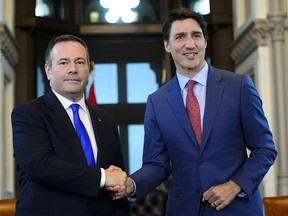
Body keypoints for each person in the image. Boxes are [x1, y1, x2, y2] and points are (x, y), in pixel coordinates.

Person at [111, 7, 277, 216]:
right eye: (180, 37)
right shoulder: (157, 102)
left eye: (196, 36)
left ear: (205, 42)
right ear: (167, 45)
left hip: (237, 209)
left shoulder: (239, 86)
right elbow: (156, 165)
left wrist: (235, 185)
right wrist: (131, 184)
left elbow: (264, 149)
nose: (190, 44)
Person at [11, 34, 130, 216]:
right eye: (63, 62)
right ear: (48, 70)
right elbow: (40, 166)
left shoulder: (106, 120)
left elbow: (117, 179)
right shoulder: (28, 114)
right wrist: (104, 177)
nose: (73, 69)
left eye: (80, 62)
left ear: (88, 69)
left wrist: (122, 185)